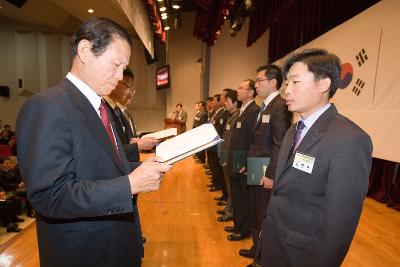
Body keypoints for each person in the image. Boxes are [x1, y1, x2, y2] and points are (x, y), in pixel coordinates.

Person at [16, 17, 172, 267]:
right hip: (83, 253)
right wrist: (129, 185)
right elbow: (50, 196)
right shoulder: (47, 106)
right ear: (85, 51)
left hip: (116, 245)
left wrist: (140, 169)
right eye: (116, 65)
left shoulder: (101, 106)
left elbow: (102, 168)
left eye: (124, 67)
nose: (120, 76)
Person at [261, 49, 373, 267]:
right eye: (286, 84)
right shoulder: (294, 130)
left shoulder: (349, 139)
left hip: (303, 255)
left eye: (295, 82)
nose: (287, 91)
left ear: (324, 84)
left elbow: (338, 224)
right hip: (276, 243)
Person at [239, 65, 292, 267]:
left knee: (263, 213)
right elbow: (257, 141)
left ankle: (262, 259)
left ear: (272, 82)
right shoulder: (265, 106)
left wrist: (271, 174)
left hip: (265, 169)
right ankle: (256, 249)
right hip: (256, 165)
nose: (256, 84)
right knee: (255, 210)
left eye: (260, 80)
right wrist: (248, 164)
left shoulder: (279, 106)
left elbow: (280, 143)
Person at [225, 79, 260, 241]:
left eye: (241, 87)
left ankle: (243, 229)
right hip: (235, 158)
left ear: (251, 92)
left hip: (243, 160)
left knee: (243, 198)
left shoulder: (254, 111)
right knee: (237, 196)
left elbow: (253, 140)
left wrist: (247, 162)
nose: (237, 90)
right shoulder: (241, 111)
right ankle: (239, 224)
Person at [104, 68, 158, 162]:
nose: (129, 92)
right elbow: (107, 152)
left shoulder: (116, 109)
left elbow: (118, 142)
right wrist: (138, 146)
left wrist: (130, 141)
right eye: (126, 85)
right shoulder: (102, 109)